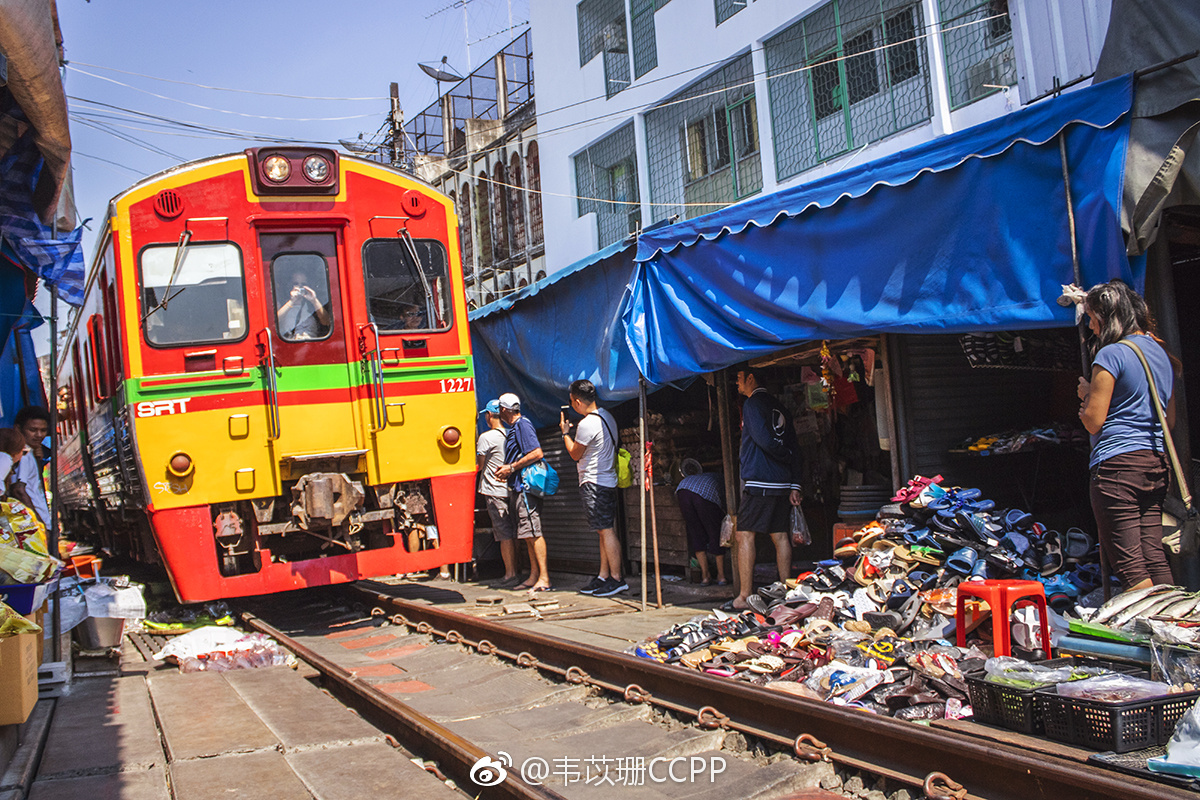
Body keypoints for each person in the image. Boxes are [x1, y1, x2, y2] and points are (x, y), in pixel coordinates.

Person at [1078, 279, 1176, 590]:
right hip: (1155, 462)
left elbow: (1093, 421)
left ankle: (1149, 619)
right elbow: (1169, 420)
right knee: (1154, 557)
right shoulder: (1161, 353)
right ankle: (1177, 616)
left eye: (1092, 317)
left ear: (1106, 316)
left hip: (1117, 467)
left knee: (1129, 564)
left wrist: (1087, 396)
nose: (1091, 326)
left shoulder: (1111, 354)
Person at [729, 365, 802, 610]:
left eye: (739, 378)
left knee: (744, 534)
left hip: (761, 481)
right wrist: (794, 481)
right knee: (779, 535)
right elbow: (794, 445)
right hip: (782, 482)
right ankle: (787, 590)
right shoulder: (779, 406)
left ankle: (744, 596)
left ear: (751, 378)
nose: (737, 383)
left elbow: (765, 441)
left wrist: (783, 454)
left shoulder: (752, 404)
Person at [560, 379, 627, 598]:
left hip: (595, 482)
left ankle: (616, 578)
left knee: (606, 530)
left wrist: (565, 433)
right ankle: (603, 575)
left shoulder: (587, 424)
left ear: (578, 401)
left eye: (572, 401)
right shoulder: (607, 416)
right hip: (607, 480)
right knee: (602, 529)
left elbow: (574, 454)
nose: (572, 405)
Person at [493, 393, 552, 592]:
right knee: (528, 534)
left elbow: (537, 453)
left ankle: (544, 578)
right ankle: (534, 575)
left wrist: (511, 467)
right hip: (518, 487)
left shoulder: (522, 425)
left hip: (526, 488)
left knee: (534, 532)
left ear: (503, 410)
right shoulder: (516, 427)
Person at [476, 399, 520, 588]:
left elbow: (480, 465)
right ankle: (517, 570)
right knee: (515, 532)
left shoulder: (486, 437)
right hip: (511, 490)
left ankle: (510, 574)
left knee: (504, 534)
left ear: (488, 415)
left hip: (494, 490)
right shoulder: (510, 434)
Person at [676, 472, 728, 586]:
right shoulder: (722, 480)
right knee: (715, 532)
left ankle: (705, 577)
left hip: (682, 490)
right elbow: (724, 505)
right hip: (704, 493)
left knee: (696, 533)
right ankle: (721, 576)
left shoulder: (700, 477)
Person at [12, 407, 51, 527]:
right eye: (33, 430)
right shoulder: (23, 455)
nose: (39, 435)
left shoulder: (29, 452)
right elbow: (18, 490)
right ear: (18, 428)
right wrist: (37, 522)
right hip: (33, 525)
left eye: (43, 430)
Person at [277, 269, 330, 339]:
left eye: (303, 284)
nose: (299, 287)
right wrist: (292, 301)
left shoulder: (312, 306)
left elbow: (326, 322)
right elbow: (275, 321)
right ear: (290, 285)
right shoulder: (283, 305)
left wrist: (314, 300)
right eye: (296, 283)